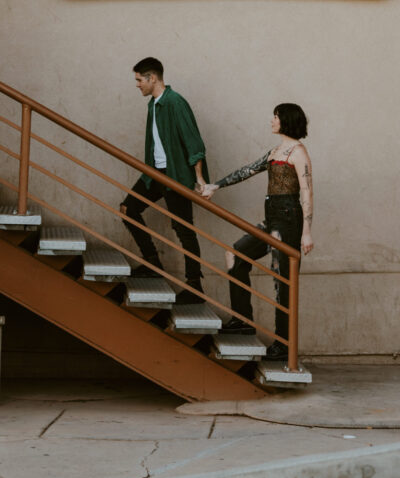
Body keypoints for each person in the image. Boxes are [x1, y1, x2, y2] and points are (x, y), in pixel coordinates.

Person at [198, 103, 313, 360]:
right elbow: (248, 170)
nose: (272, 120)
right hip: (272, 217)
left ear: (286, 120)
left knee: (281, 280)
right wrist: (216, 185)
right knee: (236, 254)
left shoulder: (298, 153)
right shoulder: (276, 150)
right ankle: (243, 321)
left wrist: (306, 231)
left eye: (275, 116)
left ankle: (283, 346)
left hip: (289, 220)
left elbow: (306, 192)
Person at [120, 58, 208, 298]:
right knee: (128, 209)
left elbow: (194, 143)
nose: (137, 85)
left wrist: (198, 179)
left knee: (183, 228)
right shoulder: (153, 104)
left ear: (153, 78)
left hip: (175, 175)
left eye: (139, 80)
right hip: (155, 173)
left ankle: (194, 285)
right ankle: (153, 264)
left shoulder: (175, 102)